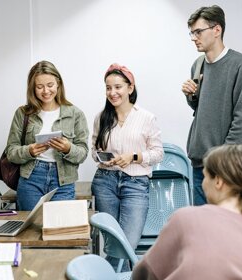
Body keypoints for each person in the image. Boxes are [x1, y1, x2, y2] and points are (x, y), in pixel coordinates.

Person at [132, 144, 242, 280]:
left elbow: (144, 273)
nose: (203, 183)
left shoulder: (186, 219)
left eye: (205, 176)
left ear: (218, 181)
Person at [181, 5, 242, 206]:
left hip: (229, 166)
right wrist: (192, 96)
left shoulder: (240, 65)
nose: (193, 37)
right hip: (200, 165)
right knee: (204, 231)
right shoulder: (197, 65)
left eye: (198, 31)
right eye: (192, 32)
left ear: (217, 30)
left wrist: (222, 159)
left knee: (232, 232)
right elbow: (203, 109)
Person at [91, 63, 164, 271]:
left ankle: (104, 275)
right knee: (113, 244)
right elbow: (93, 151)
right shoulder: (101, 118)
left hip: (136, 184)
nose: (112, 93)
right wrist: (103, 158)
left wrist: (133, 156)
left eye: (118, 87)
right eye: (108, 88)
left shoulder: (146, 117)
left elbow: (158, 153)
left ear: (130, 88)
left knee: (127, 244)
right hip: (105, 182)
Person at [5, 60, 89, 211]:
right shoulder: (23, 114)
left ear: (58, 84)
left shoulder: (75, 114)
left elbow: (83, 154)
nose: (45, 91)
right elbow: (11, 152)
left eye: (50, 85)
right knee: (30, 230)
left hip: (63, 181)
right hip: (31, 179)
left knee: (59, 229)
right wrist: (29, 151)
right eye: (39, 87)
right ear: (32, 88)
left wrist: (68, 148)